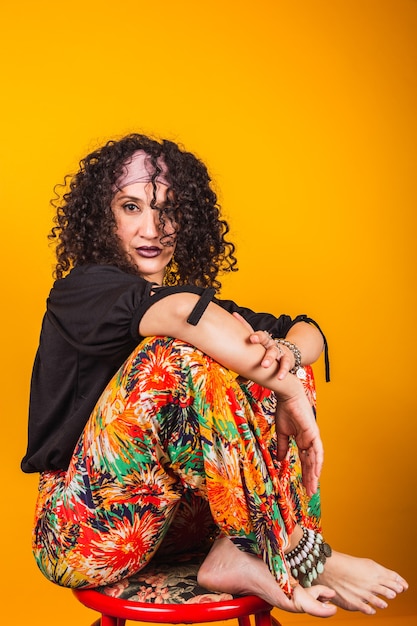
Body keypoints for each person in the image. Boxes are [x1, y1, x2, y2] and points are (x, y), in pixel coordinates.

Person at [22, 134, 408, 617]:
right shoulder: (81, 291)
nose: (153, 228)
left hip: (187, 525)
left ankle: (238, 549)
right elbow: (179, 314)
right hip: (86, 531)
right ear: (105, 217)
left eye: (168, 211)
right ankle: (301, 550)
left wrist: (286, 359)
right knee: (179, 356)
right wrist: (285, 389)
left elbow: (310, 334)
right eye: (132, 206)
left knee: (273, 356)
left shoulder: (207, 315)